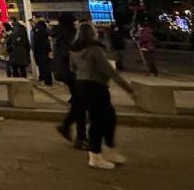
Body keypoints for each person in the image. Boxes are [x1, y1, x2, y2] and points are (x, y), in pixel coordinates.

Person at [70, 22, 134, 170]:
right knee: (100, 120)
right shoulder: (95, 49)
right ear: (92, 33)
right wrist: (128, 88)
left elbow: (72, 68)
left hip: (81, 85)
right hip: (95, 86)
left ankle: (107, 150)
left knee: (107, 118)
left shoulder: (74, 49)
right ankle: (96, 155)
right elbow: (109, 71)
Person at [52, 14, 86, 149]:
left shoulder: (61, 34)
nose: (76, 23)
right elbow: (68, 54)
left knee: (79, 103)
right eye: (75, 21)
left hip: (66, 73)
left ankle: (70, 129)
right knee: (81, 104)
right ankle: (80, 136)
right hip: (73, 74)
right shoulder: (70, 35)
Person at [31, 20, 53, 87]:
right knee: (45, 67)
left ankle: (47, 82)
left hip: (40, 52)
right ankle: (47, 81)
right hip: (45, 52)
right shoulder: (46, 32)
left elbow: (36, 42)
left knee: (43, 67)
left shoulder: (38, 33)